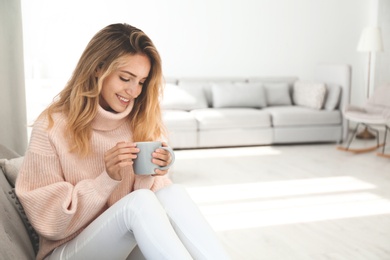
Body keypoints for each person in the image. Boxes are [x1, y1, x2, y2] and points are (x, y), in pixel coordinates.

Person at [15, 23, 230, 260]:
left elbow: (153, 207)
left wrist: (153, 171)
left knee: (172, 193)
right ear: (98, 68)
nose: (134, 91)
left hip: (124, 248)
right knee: (138, 203)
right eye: (126, 78)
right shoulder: (52, 126)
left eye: (141, 81)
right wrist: (105, 180)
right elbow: (50, 222)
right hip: (66, 251)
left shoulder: (140, 122)